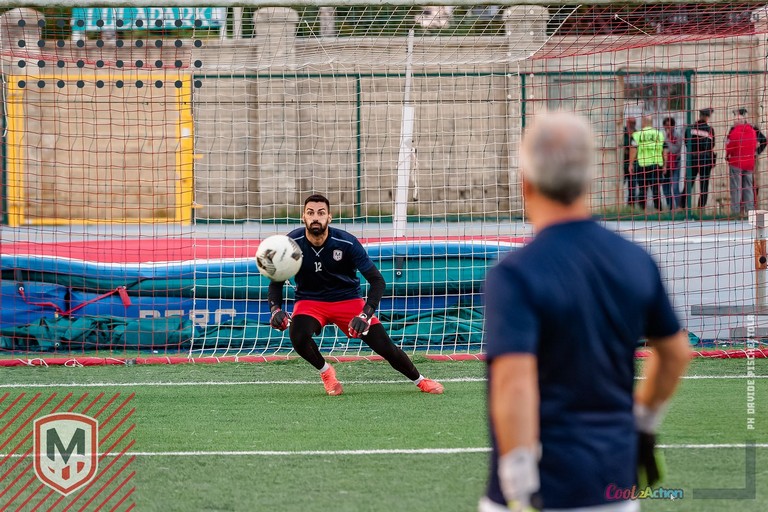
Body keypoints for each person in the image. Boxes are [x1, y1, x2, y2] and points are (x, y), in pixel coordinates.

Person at [479, 111, 690, 512]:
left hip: (543, 486)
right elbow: (676, 354)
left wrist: (520, 487)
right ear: (588, 180)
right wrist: (642, 424)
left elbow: (514, 384)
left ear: (526, 184)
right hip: (613, 482)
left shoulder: (515, 274)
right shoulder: (635, 260)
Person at [268, 193, 444, 396]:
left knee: (385, 347)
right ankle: (326, 372)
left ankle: (421, 381)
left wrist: (365, 314)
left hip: (348, 300)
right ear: (303, 217)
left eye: (321, 213)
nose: (316, 217)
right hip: (310, 301)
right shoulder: (291, 243)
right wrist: (275, 310)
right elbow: (276, 282)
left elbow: (378, 281)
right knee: (297, 336)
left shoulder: (347, 243)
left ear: (329, 217)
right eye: (310, 213)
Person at [726, 108, 758, 217]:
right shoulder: (752, 131)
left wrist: (727, 156)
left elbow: (729, 147)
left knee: (736, 187)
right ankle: (750, 211)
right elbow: (755, 145)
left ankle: (736, 211)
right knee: (748, 187)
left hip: (736, 163)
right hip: (749, 163)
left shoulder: (735, 132)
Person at [629, 115, 666, 211]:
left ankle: (643, 211)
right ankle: (658, 210)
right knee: (656, 189)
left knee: (642, 189)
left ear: (644, 122)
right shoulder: (659, 134)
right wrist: (665, 165)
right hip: (656, 165)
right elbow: (664, 150)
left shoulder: (638, 134)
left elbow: (633, 149)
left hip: (643, 165)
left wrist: (631, 164)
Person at [685, 108, 716, 209]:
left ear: (700, 116)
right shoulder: (710, 130)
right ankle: (700, 208)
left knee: (689, 183)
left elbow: (686, 142)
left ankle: (682, 206)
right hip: (705, 160)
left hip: (693, 158)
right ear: (707, 117)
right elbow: (712, 144)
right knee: (704, 184)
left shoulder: (691, 128)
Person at [662, 117, 683, 210]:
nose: (668, 127)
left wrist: (666, 142)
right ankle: (670, 207)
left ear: (673, 126)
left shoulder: (677, 136)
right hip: (665, 165)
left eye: (670, 125)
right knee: (666, 189)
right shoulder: (662, 135)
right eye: (666, 125)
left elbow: (675, 149)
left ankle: (679, 207)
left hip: (675, 165)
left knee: (675, 187)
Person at [622, 117, 638, 206]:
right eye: (630, 122)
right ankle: (618, 205)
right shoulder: (622, 132)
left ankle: (630, 206)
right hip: (622, 163)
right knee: (620, 184)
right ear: (627, 122)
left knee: (632, 187)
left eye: (634, 122)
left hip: (633, 164)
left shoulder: (636, 134)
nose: (632, 124)